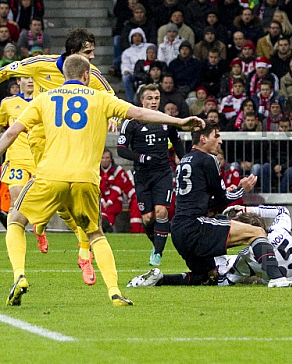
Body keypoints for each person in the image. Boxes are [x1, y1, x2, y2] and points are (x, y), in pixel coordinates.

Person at [2, 55, 203, 307]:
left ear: (64, 75)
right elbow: (139, 112)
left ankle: (20, 275)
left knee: (16, 220)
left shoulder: (44, 99)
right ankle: (114, 291)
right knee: (95, 234)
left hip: (50, 175)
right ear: (86, 76)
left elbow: (11, 132)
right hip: (86, 178)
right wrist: (179, 121)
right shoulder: (100, 98)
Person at [0, 28, 115, 284]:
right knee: (60, 198)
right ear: (74, 52)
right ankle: (40, 226)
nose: (93, 57)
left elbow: (111, 97)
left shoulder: (92, 75)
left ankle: (84, 253)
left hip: (76, 143)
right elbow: (8, 70)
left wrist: (115, 117)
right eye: (88, 52)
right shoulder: (42, 64)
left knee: (74, 196)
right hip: (42, 140)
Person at [171, 122, 292, 287]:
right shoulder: (208, 159)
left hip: (179, 231)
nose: (220, 141)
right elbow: (221, 199)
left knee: (209, 277)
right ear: (203, 138)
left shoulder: (186, 159)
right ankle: (278, 278)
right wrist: (241, 190)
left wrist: (230, 194)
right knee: (256, 232)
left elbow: (205, 201)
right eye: (216, 136)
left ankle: (159, 279)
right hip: (195, 227)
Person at [128, 205, 292, 287]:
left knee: (212, 275)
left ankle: (162, 280)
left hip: (256, 265)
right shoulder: (280, 229)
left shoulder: (247, 256)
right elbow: (283, 210)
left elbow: (223, 281)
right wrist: (250, 209)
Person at [117, 85, 186, 267]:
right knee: (147, 218)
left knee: (161, 211)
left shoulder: (165, 120)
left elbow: (177, 141)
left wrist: (184, 160)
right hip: (142, 175)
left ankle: (157, 253)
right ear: (142, 101)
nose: (154, 102)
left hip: (163, 172)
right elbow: (121, 150)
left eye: (156, 98)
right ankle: (157, 243)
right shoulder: (131, 122)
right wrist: (141, 157)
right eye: (150, 98)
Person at [0, 76, 34, 228]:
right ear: (19, 81)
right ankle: (12, 244)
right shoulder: (8, 103)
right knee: (16, 199)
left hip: (40, 161)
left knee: (35, 205)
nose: (30, 81)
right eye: (26, 77)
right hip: (16, 160)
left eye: (33, 78)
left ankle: (39, 227)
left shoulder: (46, 101)